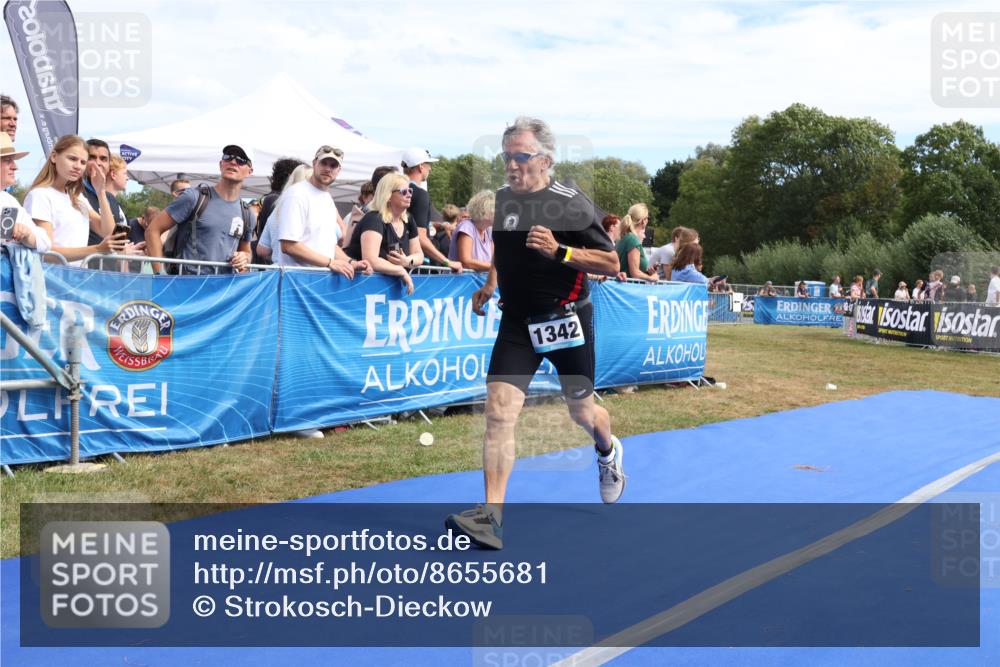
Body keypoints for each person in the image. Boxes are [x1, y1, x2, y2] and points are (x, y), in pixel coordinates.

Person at [445, 117, 624, 549]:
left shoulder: (572, 204)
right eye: (506, 157)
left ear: (545, 160)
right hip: (518, 323)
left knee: (582, 413)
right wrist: (490, 286)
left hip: (567, 320)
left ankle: (607, 450)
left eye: (520, 157)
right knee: (498, 412)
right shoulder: (504, 200)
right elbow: (503, 255)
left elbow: (611, 264)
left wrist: (560, 250)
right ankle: (491, 518)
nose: (511, 165)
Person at [145, 144, 255, 274]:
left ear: (250, 171)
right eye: (228, 157)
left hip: (223, 290)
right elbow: (152, 230)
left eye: (241, 160)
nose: (233, 161)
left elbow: (246, 251)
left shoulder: (247, 213)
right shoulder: (193, 197)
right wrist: (159, 275)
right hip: (187, 286)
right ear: (221, 164)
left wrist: (245, 258)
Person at [23, 135, 126, 265]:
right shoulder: (39, 195)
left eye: (83, 162)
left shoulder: (76, 197)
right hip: (52, 279)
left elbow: (107, 231)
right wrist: (97, 249)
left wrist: (101, 192)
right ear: (54, 156)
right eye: (72, 159)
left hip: (77, 277)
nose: (78, 166)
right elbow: (46, 251)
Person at [272, 145, 370, 279]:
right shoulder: (297, 194)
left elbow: (328, 245)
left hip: (319, 283)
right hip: (296, 282)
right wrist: (330, 263)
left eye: (333, 165)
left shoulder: (327, 198)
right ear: (314, 163)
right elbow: (289, 245)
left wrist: (351, 262)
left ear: (339, 170)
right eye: (324, 163)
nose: (328, 169)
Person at [344, 172, 423, 295]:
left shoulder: (409, 219)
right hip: (357, 287)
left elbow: (419, 254)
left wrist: (407, 261)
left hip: (383, 291)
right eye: (403, 191)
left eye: (410, 191)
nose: (409, 195)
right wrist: (401, 270)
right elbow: (371, 259)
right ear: (388, 195)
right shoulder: (374, 218)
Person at [402, 147, 461, 272]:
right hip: (417, 265)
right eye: (428, 164)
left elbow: (409, 223)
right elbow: (420, 237)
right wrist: (447, 261)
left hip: (399, 261)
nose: (430, 169)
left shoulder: (396, 190)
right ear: (420, 166)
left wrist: (439, 225)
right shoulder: (419, 193)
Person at [0, 133, 49, 252]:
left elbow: (45, 242)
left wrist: (27, 236)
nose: (15, 167)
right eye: (7, 161)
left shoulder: (9, 200)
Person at [448, 190, 494, 272]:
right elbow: (466, 262)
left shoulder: (489, 230)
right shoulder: (466, 227)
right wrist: (495, 266)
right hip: (460, 282)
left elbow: (495, 259)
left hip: (478, 282)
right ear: (484, 212)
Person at [616, 203, 656, 282]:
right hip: (629, 289)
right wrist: (651, 278)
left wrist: (647, 273)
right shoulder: (633, 239)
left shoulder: (624, 237)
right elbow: (635, 273)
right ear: (644, 221)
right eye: (647, 218)